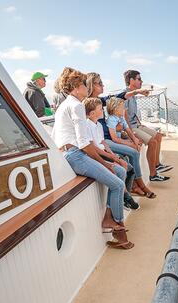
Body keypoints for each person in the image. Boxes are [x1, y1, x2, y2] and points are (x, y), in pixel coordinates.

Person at [52, 69, 133, 250]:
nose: (86, 87)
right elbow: (83, 144)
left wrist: (111, 163)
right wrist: (106, 163)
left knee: (120, 170)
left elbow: (57, 136)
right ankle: (119, 229)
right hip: (76, 155)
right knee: (118, 184)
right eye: (83, 85)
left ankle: (108, 218)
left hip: (71, 153)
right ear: (74, 87)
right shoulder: (77, 106)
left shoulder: (66, 104)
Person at [86, 72, 156, 198]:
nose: (103, 85)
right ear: (91, 85)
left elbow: (120, 97)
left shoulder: (100, 101)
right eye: (100, 83)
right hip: (106, 140)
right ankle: (140, 184)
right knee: (133, 153)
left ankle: (135, 185)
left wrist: (137, 92)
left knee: (134, 149)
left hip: (109, 137)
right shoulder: (88, 104)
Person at [83, 97, 139, 210]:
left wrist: (112, 153)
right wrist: (112, 157)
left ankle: (125, 196)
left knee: (130, 169)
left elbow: (103, 142)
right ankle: (126, 197)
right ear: (92, 113)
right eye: (100, 109)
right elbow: (93, 147)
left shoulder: (98, 125)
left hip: (104, 151)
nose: (103, 111)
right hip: (98, 154)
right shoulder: (87, 125)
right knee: (123, 166)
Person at [122, 70, 172, 181]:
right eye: (139, 79)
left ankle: (157, 164)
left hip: (137, 125)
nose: (141, 81)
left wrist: (140, 124)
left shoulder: (133, 94)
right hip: (130, 128)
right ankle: (153, 175)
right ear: (131, 80)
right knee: (152, 142)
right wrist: (132, 134)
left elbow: (133, 114)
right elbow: (124, 116)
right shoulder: (126, 94)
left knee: (158, 136)